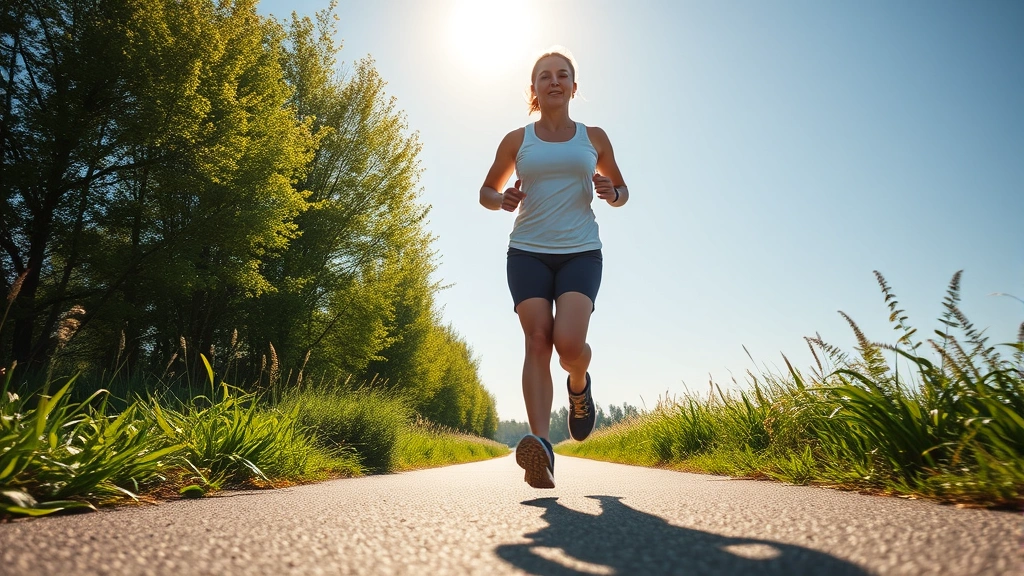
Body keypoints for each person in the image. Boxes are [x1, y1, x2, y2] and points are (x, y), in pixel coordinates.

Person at [478, 48, 629, 489]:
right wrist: (500, 199)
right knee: (537, 339)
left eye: (563, 75)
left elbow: (622, 189)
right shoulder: (516, 140)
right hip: (527, 252)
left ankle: (579, 384)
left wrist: (611, 192)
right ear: (534, 89)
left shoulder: (593, 137)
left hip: (581, 252)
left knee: (568, 345)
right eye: (545, 76)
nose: (554, 81)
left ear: (574, 87)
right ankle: (541, 449)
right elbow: (486, 190)